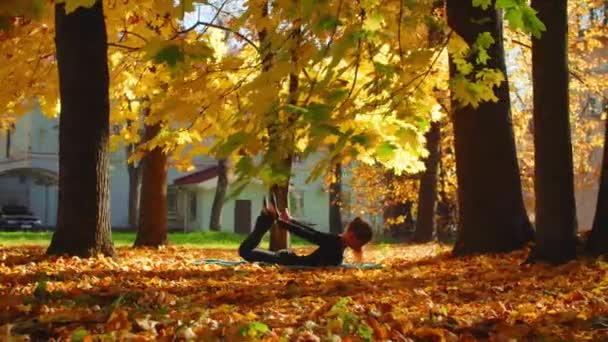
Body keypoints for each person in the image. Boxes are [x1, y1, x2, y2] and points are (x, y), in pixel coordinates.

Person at [238, 197, 373, 266]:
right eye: (360, 242)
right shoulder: (335, 243)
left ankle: (266, 219)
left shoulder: (338, 243)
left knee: (245, 252)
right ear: (352, 236)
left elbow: (312, 233)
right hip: (286, 261)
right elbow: (310, 234)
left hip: (287, 260)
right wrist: (286, 223)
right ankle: (266, 220)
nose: (360, 247)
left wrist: (288, 222)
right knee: (245, 252)